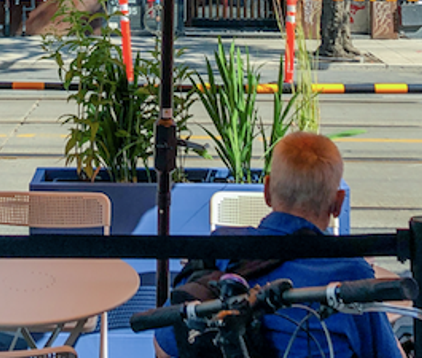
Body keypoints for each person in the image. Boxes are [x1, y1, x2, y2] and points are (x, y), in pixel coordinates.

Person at [154, 131, 405, 358]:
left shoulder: (221, 249)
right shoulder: (350, 273)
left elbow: (163, 345)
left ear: (267, 191)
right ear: (338, 203)